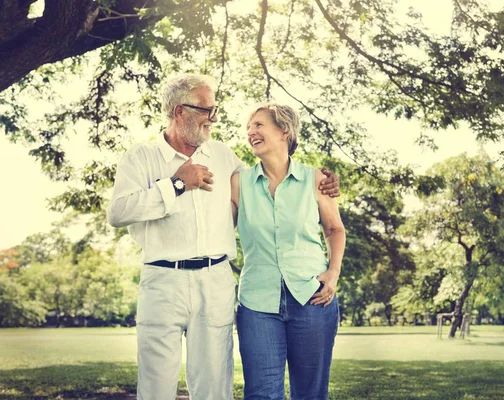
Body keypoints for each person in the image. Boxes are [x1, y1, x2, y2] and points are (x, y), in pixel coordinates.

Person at [107, 74, 339, 400]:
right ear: (179, 112)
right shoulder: (142, 157)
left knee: (214, 387)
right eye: (206, 110)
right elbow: (118, 212)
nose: (214, 118)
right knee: (156, 385)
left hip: (216, 280)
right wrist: (175, 184)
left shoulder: (221, 154)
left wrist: (321, 183)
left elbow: (270, 181)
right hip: (163, 281)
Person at [230, 103, 346, 400]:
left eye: (259, 125)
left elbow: (334, 230)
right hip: (257, 303)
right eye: (249, 127)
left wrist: (332, 274)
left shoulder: (316, 179)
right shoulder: (238, 183)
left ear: (284, 131)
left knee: (310, 394)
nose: (251, 132)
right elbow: (218, 232)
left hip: (313, 298)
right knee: (261, 395)